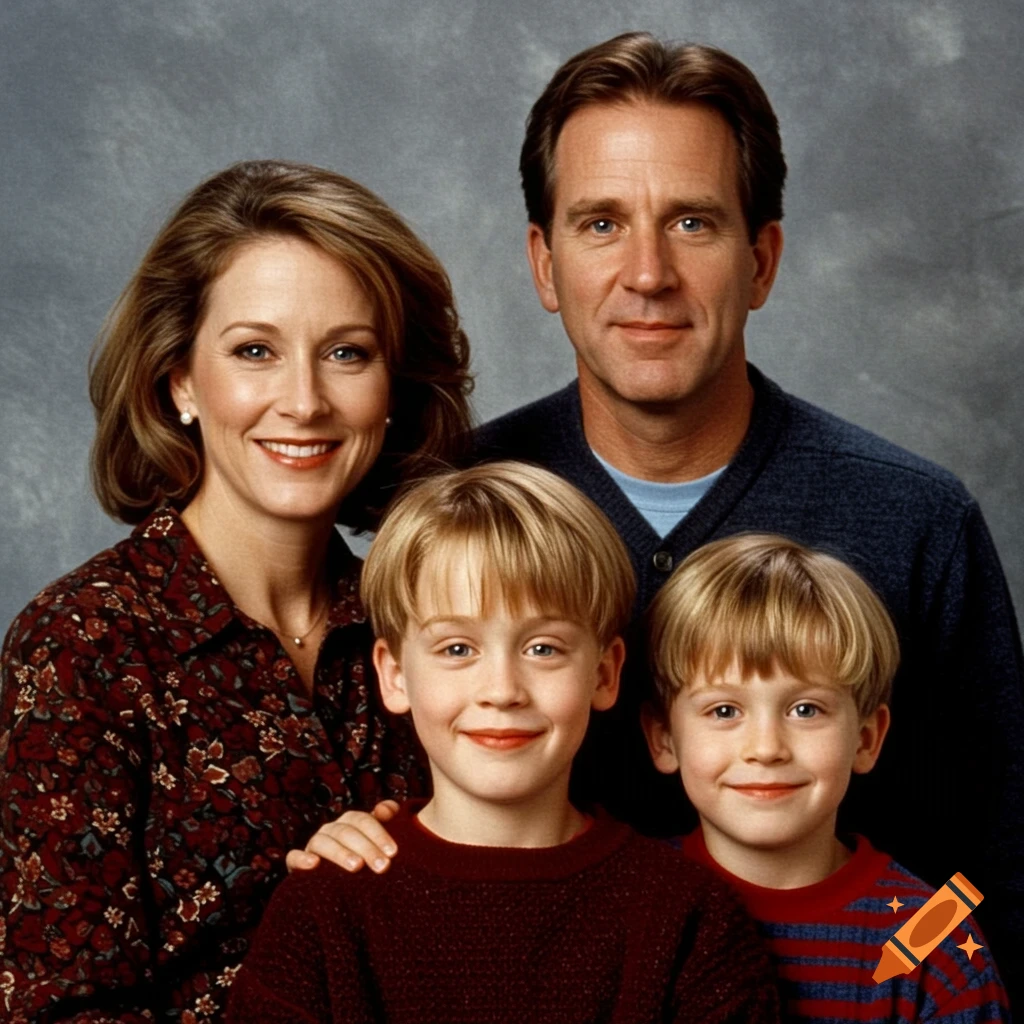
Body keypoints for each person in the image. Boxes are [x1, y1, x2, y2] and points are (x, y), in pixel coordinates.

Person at [467, 31, 1024, 984]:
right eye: (601, 223)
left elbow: (996, 864)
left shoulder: (913, 520)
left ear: (761, 259)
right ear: (544, 262)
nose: (648, 273)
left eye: (693, 223)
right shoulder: (460, 511)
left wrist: (898, 973)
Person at [0, 160, 472, 1023]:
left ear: (394, 387)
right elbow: (57, 1008)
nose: (303, 400)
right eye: (255, 351)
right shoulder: (82, 643)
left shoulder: (433, 627)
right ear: (179, 380)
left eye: (346, 353)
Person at [227, 462, 780, 1023]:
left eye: (543, 648)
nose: (502, 691)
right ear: (394, 675)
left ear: (605, 673)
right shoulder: (324, 910)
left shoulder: (687, 917)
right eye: (457, 649)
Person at [641, 534, 1010, 1021]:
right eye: (725, 709)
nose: (766, 748)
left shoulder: (934, 934)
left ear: (866, 739)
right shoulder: (630, 902)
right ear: (664, 738)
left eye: (805, 709)